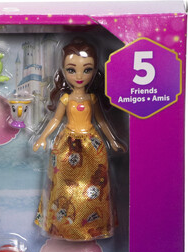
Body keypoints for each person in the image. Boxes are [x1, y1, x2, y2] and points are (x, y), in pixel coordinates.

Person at [33, 39, 125, 241]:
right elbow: (56, 120)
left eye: (87, 69)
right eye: (72, 70)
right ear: (63, 71)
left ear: (94, 71)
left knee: (95, 187)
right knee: (64, 187)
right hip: (67, 145)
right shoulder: (66, 99)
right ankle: (62, 227)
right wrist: (42, 137)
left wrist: (113, 140)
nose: (80, 76)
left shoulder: (92, 99)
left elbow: (101, 120)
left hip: (92, 145)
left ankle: (94, 226)